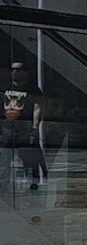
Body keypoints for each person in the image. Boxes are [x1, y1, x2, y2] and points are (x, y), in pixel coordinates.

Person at [1, 61, 45, 193]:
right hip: (7, 129)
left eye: (18, 69)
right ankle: (3, 184)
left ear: (25, 72)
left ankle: (33, 184)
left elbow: (37, 108)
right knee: (4, 159)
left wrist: (35, 127)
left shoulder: (32, 89)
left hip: (25, 130)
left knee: (29, 159)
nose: (15, 72)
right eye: (13, 69)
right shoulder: (5, 87)